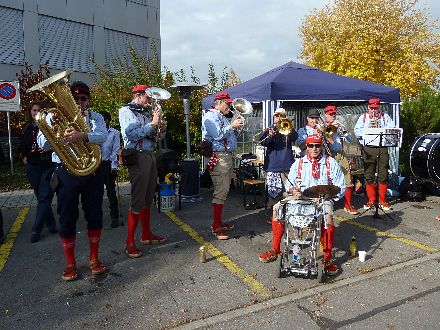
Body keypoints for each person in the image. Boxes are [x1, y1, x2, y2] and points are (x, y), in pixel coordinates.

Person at [37, 81, 108, 281]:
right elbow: (41, 144)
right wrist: (53, 126)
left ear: (88, 101)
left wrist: (82, 135)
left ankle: (94, 258)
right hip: (66, 171)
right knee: (67, 216)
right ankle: (70, 263)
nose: (77, 102)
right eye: (74, 97)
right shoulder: (53, 116)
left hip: (92, 171)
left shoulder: (96, 117)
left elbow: (103, 136)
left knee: (95, 214)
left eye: (82, 98)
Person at [259, 134, 345, 276]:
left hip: (323, 198)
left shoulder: (331, 163)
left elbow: (340, 187)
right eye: (311, 145)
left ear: (322, 146)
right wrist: (293, 190)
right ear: (307, 146)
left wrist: (326, 196)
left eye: (317, 145)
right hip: (301, 197)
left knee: (328, 219)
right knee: (276, 209)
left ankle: (328, 258)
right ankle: (275, 249)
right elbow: (289, 184)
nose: (314, 148)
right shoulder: (298, 163)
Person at [118, 85, 167, 258]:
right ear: (138, 96)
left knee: (147, 198)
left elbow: (155, 138)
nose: (149, 101)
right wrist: (152, 124)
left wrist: (160, 128)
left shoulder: (144, 113)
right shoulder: (126, 111)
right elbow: (131, 135)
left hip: (148, 155)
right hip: (137, 156)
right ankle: (129, 242)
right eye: (147, 97)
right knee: (138, 199)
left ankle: (146, 234)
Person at [202, 92, 244, 240]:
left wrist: (236, 128)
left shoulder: (222, 117)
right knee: (221, 190)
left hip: (225, 156)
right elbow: (218, 135)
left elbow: (230, 137)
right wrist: (231, 126)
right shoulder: (210, 116)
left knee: (225, 189)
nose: (230, 106)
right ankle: (216, 226)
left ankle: (218, 222)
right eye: (227, 103)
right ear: (219, 102)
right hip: (218, 157)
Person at [19, 101, 58, 243]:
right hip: (32, 167)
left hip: (48, 165)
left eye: (39, 110)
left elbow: (60, 144)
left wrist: (50, 148)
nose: (36, 112)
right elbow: (22, 146)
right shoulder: (27, 128)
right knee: (41, 197)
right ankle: (51, 224)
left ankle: (36, 230)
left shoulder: (50, 126)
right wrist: (24, 158)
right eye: (34, 110)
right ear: (30, 112)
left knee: (45, 196)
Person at [354, 98, 396, 211]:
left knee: (383, 174)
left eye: (376, 108)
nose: (373, 111)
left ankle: (382, 200)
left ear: (379, 107)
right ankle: (371, 200)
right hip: (368, 148)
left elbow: (393, 131)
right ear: (368, 107)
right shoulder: (363, 117)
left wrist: (380, 127)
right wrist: (368, 128)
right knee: (369, 175)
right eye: (372, 108)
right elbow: (357, 131)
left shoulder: (385, 117)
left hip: (382, 148)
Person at [259, 108, 298, 224]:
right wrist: (270, 135)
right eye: (277, 116)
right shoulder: (269, 129)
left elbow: (294, 137)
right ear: (274, 117)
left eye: (282, 116)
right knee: (273, 192)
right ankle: (274, 215)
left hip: (287, 164)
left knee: (288, 191)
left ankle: (287, 214)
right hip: (273, 165)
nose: (279, 118)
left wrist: (289, 127)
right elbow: (262, 142)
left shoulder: (288, 127)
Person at [320, 105, 358, 215]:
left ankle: (348, 204)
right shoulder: (322, 125)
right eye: (331, 114)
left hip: (341, 154)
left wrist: (344, 131)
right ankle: (326, 204)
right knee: (327, 179)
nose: (333, 116)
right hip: (328, 153)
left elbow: (350, 140)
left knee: (347, 177)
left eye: (334, 114)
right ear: (326, 114)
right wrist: (330, 127)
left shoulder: (339, 124)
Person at [100, 111, 121, 228]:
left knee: (110, 191)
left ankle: (115, 216)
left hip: (107, 164)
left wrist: (114, 165)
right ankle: (96, 217)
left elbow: (115, 150)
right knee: (96, 192)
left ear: (107, 121)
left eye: (102, 120)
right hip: (96, 164)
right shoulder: (94, 132)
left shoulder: (114, 133)